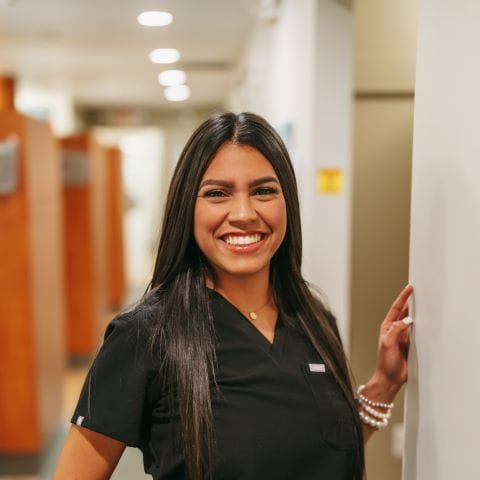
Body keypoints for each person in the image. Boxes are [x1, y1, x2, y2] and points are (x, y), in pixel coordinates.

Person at [54, 112, 414, 480]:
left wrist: (383, 385)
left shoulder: (314, 318)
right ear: (187, 207)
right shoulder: (145, 335)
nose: (243, 214)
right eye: (217, 193)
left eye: (263, 190)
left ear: (286, 200)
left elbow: (321, 451)